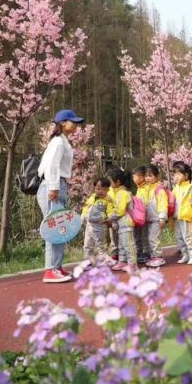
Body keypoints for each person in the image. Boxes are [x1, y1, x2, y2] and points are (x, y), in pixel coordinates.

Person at [37, 109, 84, 283]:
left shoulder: (61, 140)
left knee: (59, 226)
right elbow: (52, 166)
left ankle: (56, 267)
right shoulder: (58, 142)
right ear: (63, 122)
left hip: (56, 185)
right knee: (54, 228)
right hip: (51, 186)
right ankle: (50, 270)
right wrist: (55, 187)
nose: (77, 125)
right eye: (74, 122)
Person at [108, 168, 137, 272]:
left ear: (118, 182)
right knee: (121, 244)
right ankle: (123, 261)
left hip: (126, 223)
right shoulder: (118, 192)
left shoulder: (123, 193)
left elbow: (120, 210)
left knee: (128, 244)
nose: (109, 184)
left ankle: (132, 263)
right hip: (121, 224)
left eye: (110, 181)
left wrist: (110, 218)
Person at [81, 178, 114, 267]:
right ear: (94, 188)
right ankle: (88, 261)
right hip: (89, 225)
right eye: (98, 189)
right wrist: (83, 216)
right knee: (87, 244)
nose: (100, 191)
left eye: (104, 189)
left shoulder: (108, 199)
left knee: (101, 245)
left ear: (108, 189)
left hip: (101, 226)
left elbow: (110, 210)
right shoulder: (91, 197)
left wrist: (110, 218)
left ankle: (103, 261)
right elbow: (86, 207)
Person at [171, 162, 192, 265]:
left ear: (186, 175)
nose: (176, 176)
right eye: (175, 174)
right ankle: (185, 254)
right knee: (179, 237)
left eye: (179, 174)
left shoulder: (190, 187)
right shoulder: (176, 188)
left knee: (188, 237)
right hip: (177, 216)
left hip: (185, 216)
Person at [143, 164, 168, 267]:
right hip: (150, 219)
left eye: (150, 175)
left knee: (154, 238)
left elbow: (163, 205)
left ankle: (158, 257)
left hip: (157, 219)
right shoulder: (147, 189)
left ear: (157, 177)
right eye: (146, 176)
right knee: (150, 238)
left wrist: (162, 218)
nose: (147, 178)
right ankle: (154, 256)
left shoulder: (159, 190)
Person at [132, 165, 149, 264]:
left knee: (145, 235)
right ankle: (139, 252)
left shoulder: (147, 188)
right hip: (138, 217)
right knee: (137, 235)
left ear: (141, 177)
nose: (133, 179)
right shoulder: (139, 188)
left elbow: (146, 202)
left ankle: (146, 253)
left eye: (135, 176)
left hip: (144, 217)